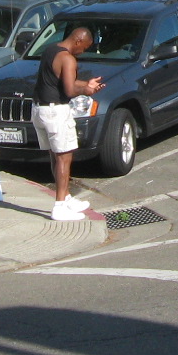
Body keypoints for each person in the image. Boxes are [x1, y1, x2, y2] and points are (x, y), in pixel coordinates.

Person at [32, 26, 105, 220]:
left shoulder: (51, 50)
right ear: (78, 41)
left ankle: (66, 197)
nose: (84, 51)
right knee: (64, 158)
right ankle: (59, 206)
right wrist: (86, 91)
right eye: (85, 47)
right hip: (56, 112)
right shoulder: (68, 59)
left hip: (39, 110)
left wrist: (86, 83)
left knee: (55, 156)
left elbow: (61, 80)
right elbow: (69, 89)